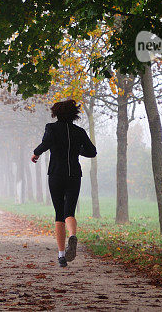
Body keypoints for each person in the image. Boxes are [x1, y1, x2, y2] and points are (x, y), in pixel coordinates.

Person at [31, 99, 96, 268]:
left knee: (59, 213)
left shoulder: (51, 128)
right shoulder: (79, 131)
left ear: (56, 113)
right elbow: (92, 152)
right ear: (73, 114)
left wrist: (35, 154)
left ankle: (61, 255)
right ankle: (72, 235)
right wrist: (77, 150)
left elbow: (46, 144)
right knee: (70, 212)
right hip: (74, 174)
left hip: (56, 174)